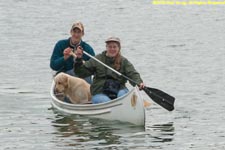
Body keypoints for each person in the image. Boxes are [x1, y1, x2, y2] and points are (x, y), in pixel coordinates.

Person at [74, 36, 145, 104]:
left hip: (119, 89)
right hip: (100, 91)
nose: (112, 49)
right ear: (106, 47)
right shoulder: (97, 59)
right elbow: (80, 73)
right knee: (107, 101)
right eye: (110, 47)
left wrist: (139, 83)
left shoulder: (124, 61)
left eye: (114, 47)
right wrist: (78, 59)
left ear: (119, 48)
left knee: (123, 96)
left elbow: (132, 73)